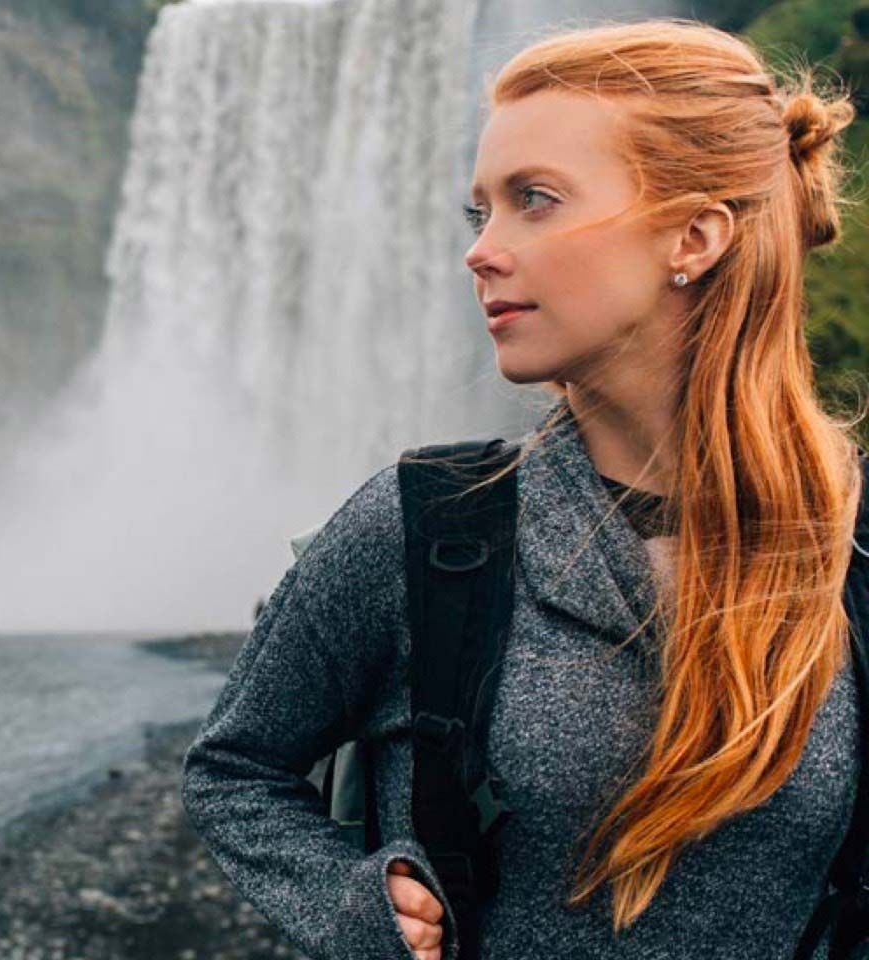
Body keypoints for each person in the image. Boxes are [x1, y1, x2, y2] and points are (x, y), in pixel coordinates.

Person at [179, 16, 865, 960]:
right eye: (481, 212)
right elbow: (232, 766)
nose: (481, 250)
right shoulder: (428, 526)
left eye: (533, 200)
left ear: (696, 237)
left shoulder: (849, 542)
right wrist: (349, 907)